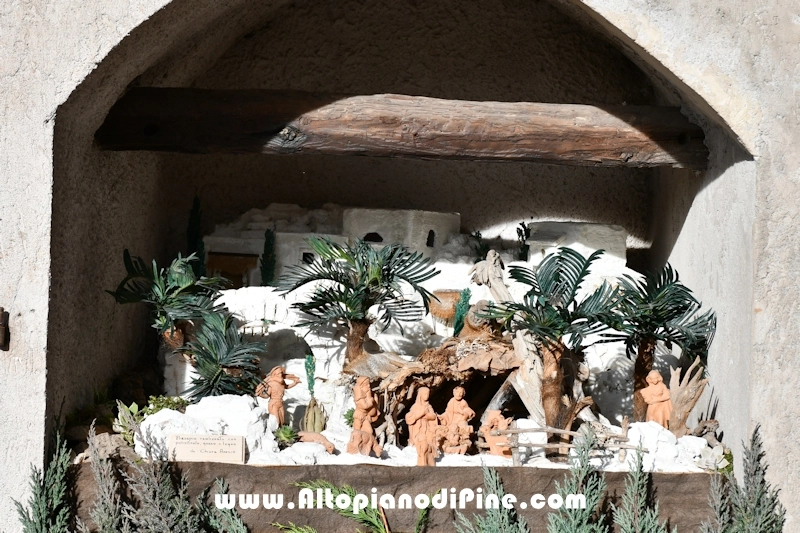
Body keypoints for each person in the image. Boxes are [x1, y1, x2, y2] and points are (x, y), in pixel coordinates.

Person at [405, 387, 439, 465]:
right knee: (422, 442)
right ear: (420, 395)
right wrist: (421, 413)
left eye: (428, 394)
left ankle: (429, 459)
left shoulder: (428, 406)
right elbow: (409, 418)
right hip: (418, 428)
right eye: (424, 394)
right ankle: (422, 458)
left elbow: (433, 416)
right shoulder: (415, 406)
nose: (427, 396)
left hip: (426, 427)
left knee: (429, 440)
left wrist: (426, 415)